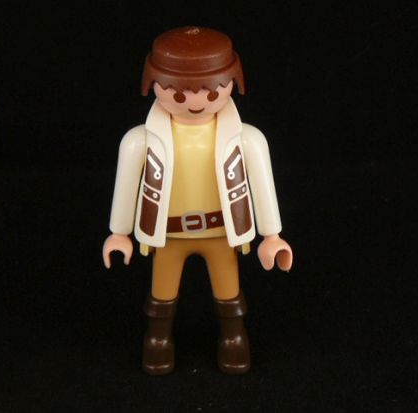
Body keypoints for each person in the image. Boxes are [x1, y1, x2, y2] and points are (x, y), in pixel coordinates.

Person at [102, 26, 293, 375]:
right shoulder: (140, 141)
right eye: (178, 94)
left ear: (232, 83)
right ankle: (158, 340)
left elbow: (263, 186)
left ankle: (233, 338)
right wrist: (119, 232)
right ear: (153, 84)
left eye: (212, 92)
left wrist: (272, 236)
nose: (195, 102)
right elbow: (126, 186)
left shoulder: (247, 139)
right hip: (167, 234)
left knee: (228, 293)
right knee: (162, 295)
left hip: (222, 231)